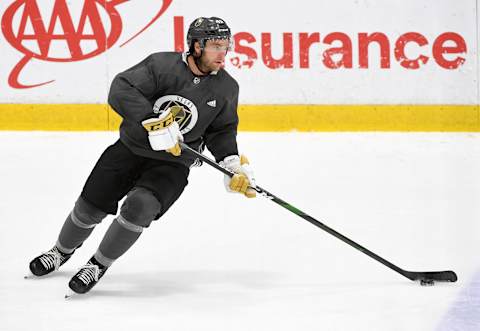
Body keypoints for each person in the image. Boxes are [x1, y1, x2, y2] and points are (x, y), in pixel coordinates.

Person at [27, 17, 256, 296]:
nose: (223, 53)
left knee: (140, 206)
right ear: (196, 46)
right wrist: (151, 120)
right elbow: (122, 88)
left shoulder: (226, 88)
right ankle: (60, 251)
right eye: (216, 46)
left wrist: (231, 164)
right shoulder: (162, 65)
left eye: (226, 46)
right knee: (90, 207)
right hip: (129, 149)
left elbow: (221, 130)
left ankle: (97, 265)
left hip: (173, 163)